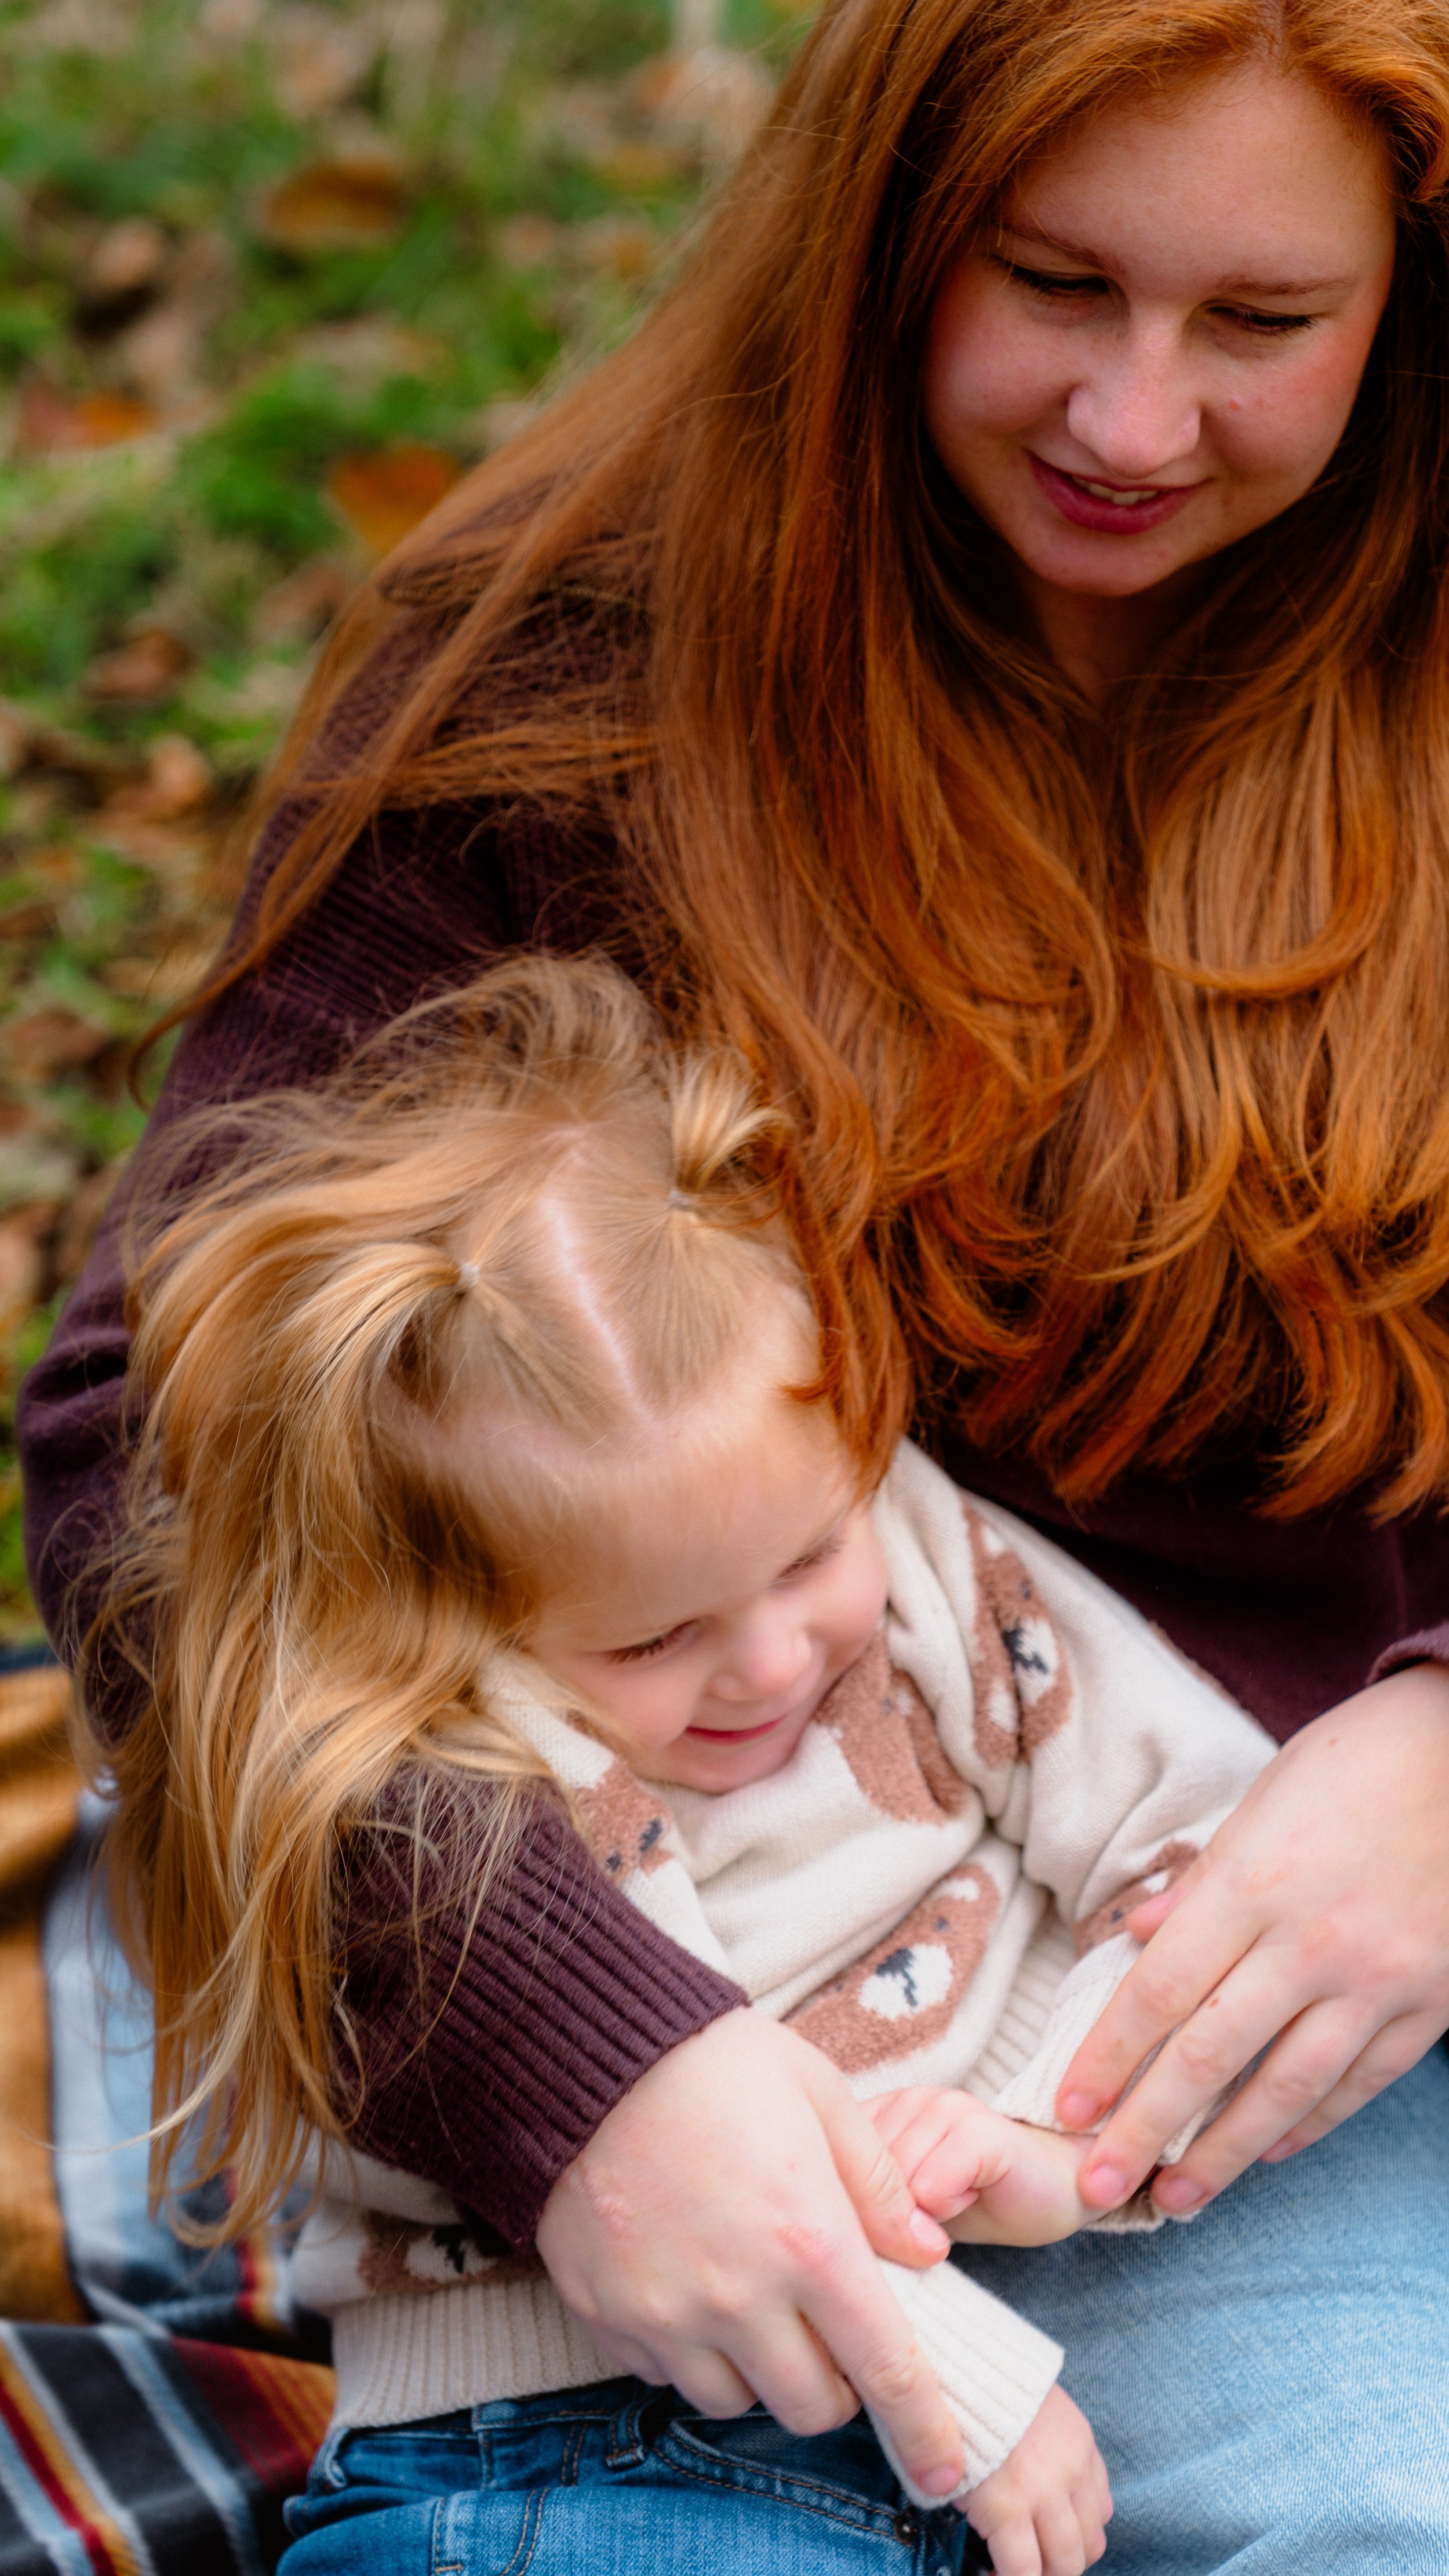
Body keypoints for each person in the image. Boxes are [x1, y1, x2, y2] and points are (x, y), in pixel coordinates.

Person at [20, 0, 1449, 2564]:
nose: (1132, 421)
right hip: (602, 1996)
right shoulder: (572, 676)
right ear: (885, 226)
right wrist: (571, 2057)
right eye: (1049, 282)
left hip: (1223, 2021)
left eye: (1260, 327)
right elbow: (153, 1429)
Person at [83, 952, 1272, 2576]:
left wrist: (1064, 2153)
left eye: (805, 1559)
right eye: (652, 1639)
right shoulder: (424, 1726)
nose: (775, 1659)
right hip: (562, 2442)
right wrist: (962, 2378)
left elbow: (1187, 1833)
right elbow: (694, 2145)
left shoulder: (913, 1542)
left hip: (983, 2354)